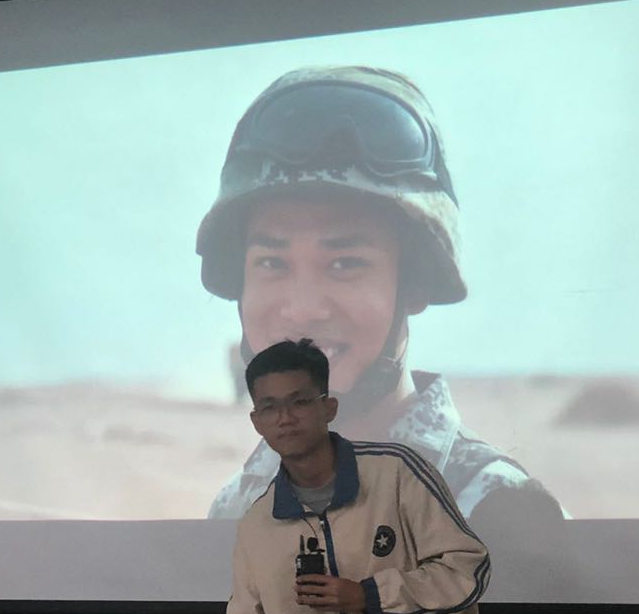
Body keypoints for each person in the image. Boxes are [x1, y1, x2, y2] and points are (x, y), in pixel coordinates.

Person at [196, 65, 564, 567]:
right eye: (272, 263)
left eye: (345, 263)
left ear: (413, 285)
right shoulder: (239, 506)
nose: (303, 308)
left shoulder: (497, 514)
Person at [204, 338, 490, 614]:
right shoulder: (258, 527)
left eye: (300, 402)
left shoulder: (397, 473)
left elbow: (467, 569)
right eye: (270, 407)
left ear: (329, 407)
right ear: (256, 421)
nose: (285, 418)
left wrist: (369, 596)